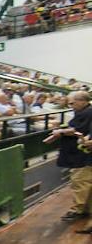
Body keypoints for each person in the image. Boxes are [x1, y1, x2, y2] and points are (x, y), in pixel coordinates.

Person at [43, 90, 92, 222]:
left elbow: (78, 130)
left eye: (72, 103)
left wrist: (61, 131)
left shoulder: (87, 113)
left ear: (83, 101)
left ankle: (78, 210)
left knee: (80, 180)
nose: (70, 106)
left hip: (84, 155)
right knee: (84, 182)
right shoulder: (84, 112)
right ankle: (85, 208)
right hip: (82, 154)